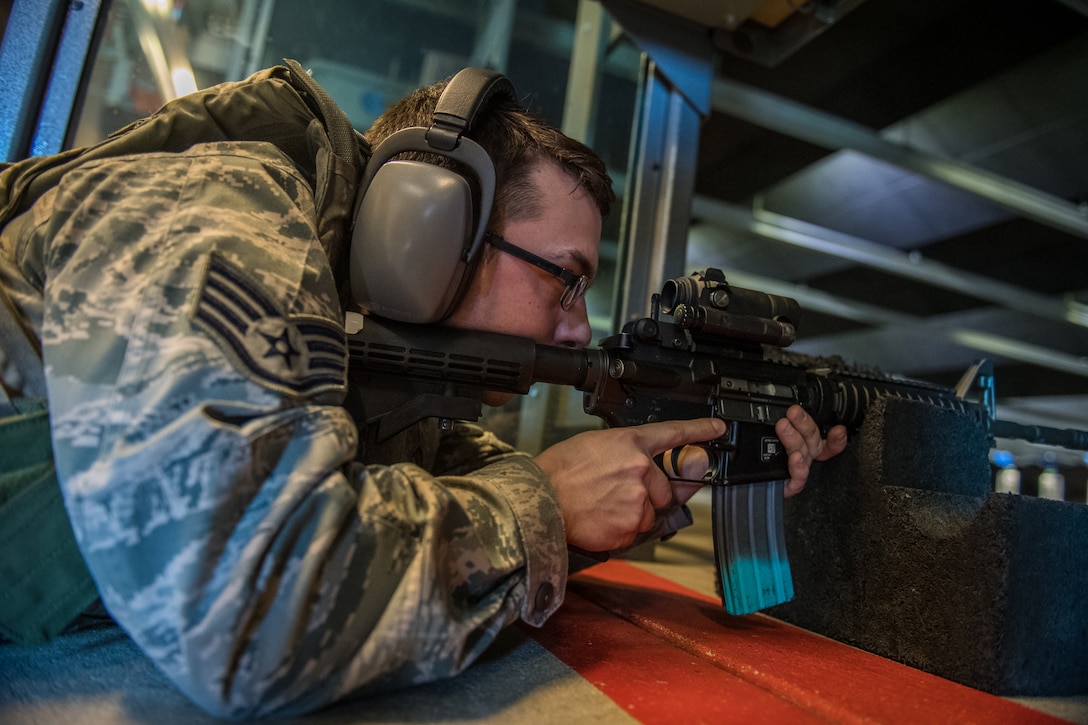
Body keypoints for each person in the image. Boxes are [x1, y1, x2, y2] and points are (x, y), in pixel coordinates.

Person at [0, 65, 847, 718]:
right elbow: (246, 610)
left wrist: (621, 493)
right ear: (432, 223)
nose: (579, 329)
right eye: (566, 282)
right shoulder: (218, 217)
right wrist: (546, 502)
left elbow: (433, 480)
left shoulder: (361, 344)